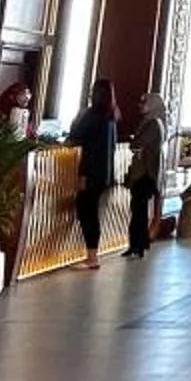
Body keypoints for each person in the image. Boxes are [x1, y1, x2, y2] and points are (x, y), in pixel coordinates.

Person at [70, 79, 120, 270]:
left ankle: (91, 257)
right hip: (105, 172)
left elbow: (77, 137)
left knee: (86, 212)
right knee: (92, 213)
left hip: (90, 172)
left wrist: (83, 175)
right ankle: (92, 256)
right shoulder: (111, 116)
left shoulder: (92, 115)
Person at [124, 91, 167, 259]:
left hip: (145, 173)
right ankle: (138, 244)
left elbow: (137, 144)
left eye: (144, 102)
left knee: (138, 211)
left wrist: (134, 141)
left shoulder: (153, 124)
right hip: (146, 173)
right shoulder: (153, 122)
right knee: (138, 210)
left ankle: (138, 244)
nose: (140, 105)